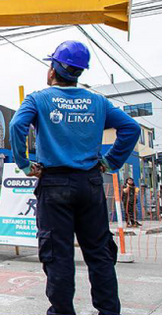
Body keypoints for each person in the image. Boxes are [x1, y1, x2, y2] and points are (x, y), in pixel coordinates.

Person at [9, 40, 140, 315]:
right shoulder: (98, 102)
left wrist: (24, 164)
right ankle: (108, 311)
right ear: (80, 72)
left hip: (54, 184)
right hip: (90, 184)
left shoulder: (38, 99)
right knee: (99, 254)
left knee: (58, 256)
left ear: (53, 69)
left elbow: (17, 125)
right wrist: (111, 161)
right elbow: (130, 128)